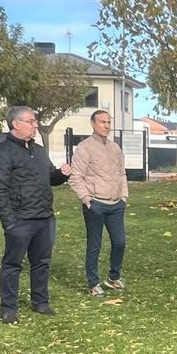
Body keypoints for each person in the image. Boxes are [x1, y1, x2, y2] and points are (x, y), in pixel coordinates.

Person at [0, 105, 72, 324]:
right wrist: (10, 223)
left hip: (44, 217)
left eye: (35, 121)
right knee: (13, 264)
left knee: (42, 262)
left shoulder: (39, 151)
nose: (36, 125)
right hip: (20, 220)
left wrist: (61, 175)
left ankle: (41, 302)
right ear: (16, 124)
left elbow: (49, 179)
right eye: (31, 121)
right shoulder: (3, 153)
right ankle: (9, 308)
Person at [68, 109, 129, 297]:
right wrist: (87, 200)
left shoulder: (115, 147)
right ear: (93, 124)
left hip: (116, 204)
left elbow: (122, 173)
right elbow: (75, 176)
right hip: (95, 205)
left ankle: (113, 278)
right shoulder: (84, 148)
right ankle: (93, 283)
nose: (106, 126)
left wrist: (124, 196)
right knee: (95, 245)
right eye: (102, 122)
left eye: (108, 122)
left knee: (120, 242)